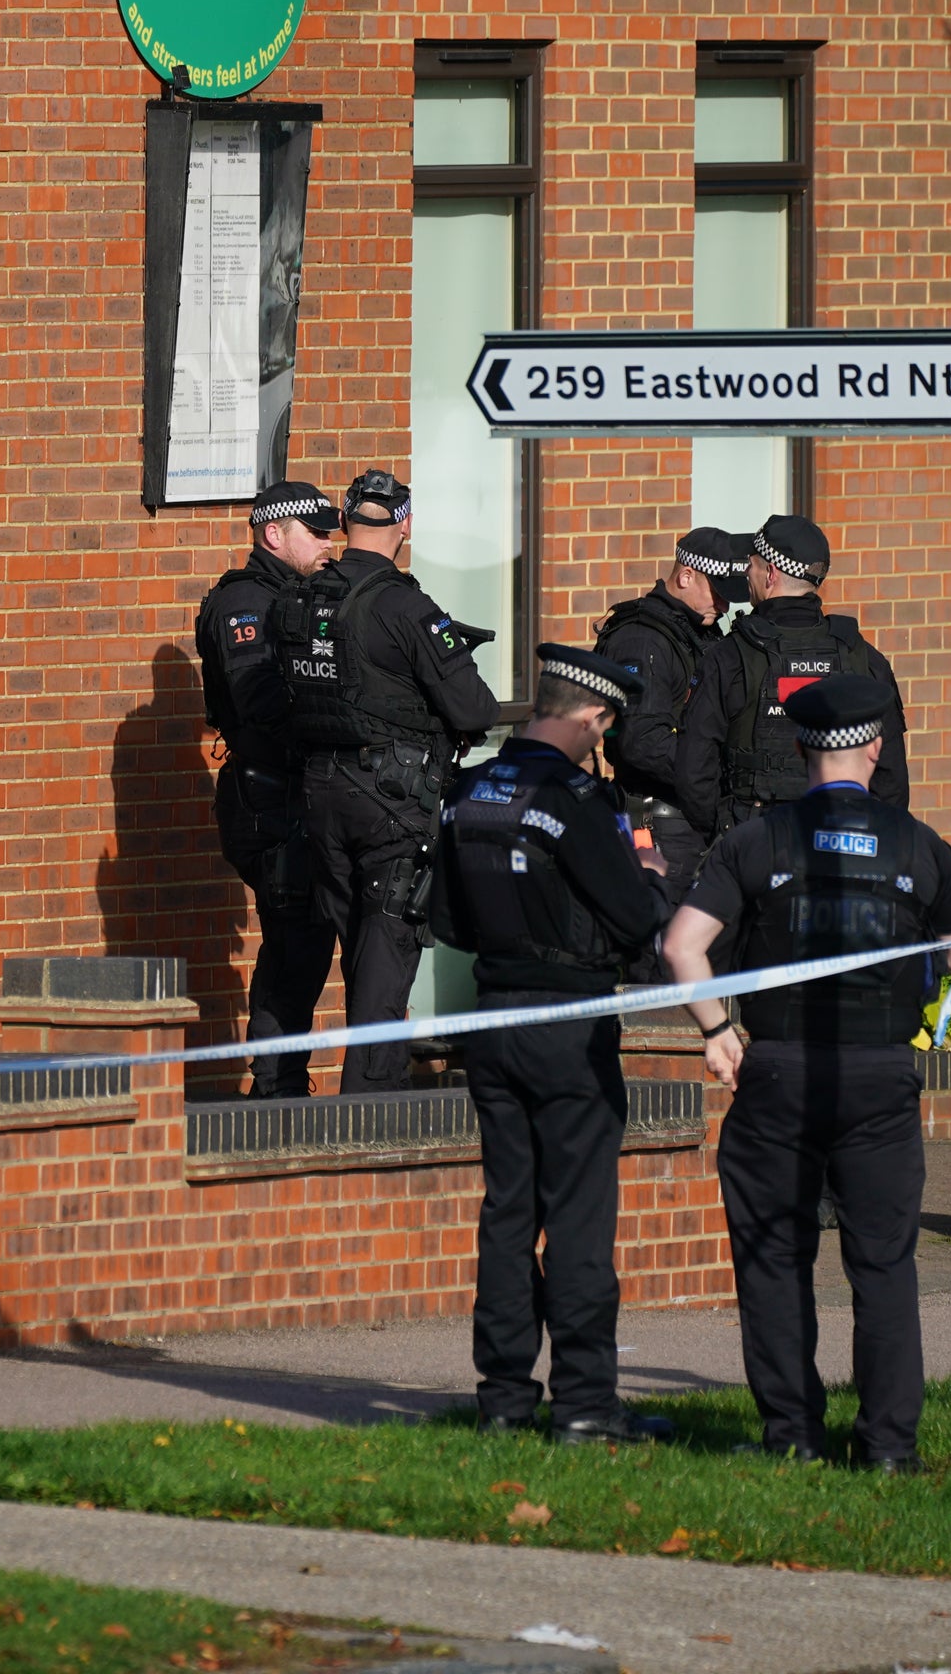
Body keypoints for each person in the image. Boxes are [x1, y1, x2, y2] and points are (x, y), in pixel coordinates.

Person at [663, 675, 951, 1471]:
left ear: (802, 749)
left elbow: (682, 945)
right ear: (875, 748)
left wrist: (719, 1031)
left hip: (779, 1075)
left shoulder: (757, 840)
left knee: (774, 1259)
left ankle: (793, 1437)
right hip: (879, 1076)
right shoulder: (921, 845)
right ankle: (887, 1448)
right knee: (882, 1263)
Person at [425, 643, 679, 1443]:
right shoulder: (574, 799)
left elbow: (444, 923)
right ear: (592, 716)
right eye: (605, 727)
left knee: (507, 1211)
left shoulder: (468, 792)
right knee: (576, 1218)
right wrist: (650, 872)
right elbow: (636, 921)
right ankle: (583, 1404)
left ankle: (502, 1397)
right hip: (569, 1023)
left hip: (492, 1018)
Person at [281, 468, 501, 1094]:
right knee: (386, 953)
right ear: (405, 525)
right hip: (390, 802)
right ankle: (368, 1113)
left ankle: (350, 1088)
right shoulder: (407, 607)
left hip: (319, 792)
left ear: (346, 522)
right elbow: (477, 711)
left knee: (359, 950)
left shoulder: (300, 598)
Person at [196, 481, 344, 1100]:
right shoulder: (247, 602)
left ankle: (281, 1077)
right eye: (316, 532)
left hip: (299, 793)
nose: (328, 544)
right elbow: (257, 698)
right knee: (293, 943)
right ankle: (276, 1086)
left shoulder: (303, 594)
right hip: (269, 798)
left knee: (307, 942)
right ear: (273, 533)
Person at [675, 514, 910, 840]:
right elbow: (892, 778)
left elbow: (693, 773)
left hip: (757, 842)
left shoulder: (728, 657)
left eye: (751, 565)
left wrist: (729, 835)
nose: (746, 573)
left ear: (770, 574)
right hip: (840, 846)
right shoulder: (864, 659)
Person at [593, 525, 747, 891]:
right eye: (718, 592)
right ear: (686, 576)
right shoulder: (643, 638)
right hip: (660, 826)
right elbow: (640, 741)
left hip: (693, 823)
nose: (724, 605)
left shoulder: (697, 631)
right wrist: (714, 768)